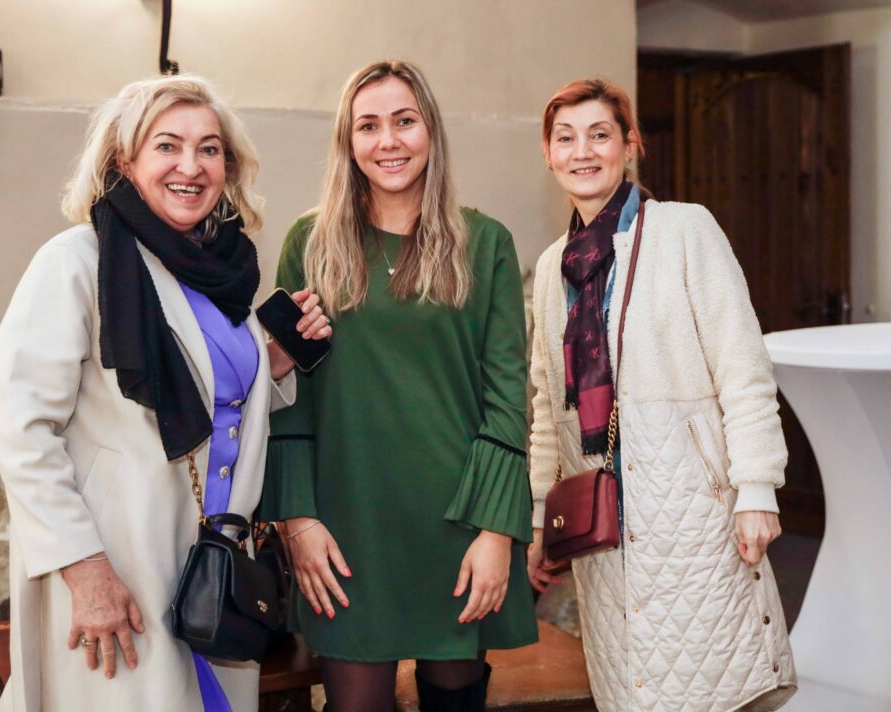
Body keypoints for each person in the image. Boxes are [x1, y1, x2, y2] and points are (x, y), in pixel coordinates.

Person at [0, 75, 331, 712]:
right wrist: (85, 570)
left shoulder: (220, 270)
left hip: (213, 569)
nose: (190, 166)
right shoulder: (76, 262)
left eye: (209, 149)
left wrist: (273, 365)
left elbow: (212, 398)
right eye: (167, 145)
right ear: (125, 161)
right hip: (121, 565)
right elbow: (25, 434)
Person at [260, 60, 538, 712]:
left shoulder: (485, 244)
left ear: (430, 130)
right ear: (348, 140)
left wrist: (497, 531)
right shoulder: (310, 242)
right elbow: (288, 399)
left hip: (459, 522)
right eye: (369, 125)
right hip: (345, 527)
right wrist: (298, 520)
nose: (388, 141)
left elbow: (506, 399)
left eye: (404, 121)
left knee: (454, 702)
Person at [527, 78, 797, 711]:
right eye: (566, 138)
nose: (582, 151)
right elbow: (546, 404)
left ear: (630, 145)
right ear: (549, 154)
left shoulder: (685, 230)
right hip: (601, 521)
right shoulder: (551, 266)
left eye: (599, 134)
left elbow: (742, 368)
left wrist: (757, 488)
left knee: (709, 684)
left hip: (692, 511)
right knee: (633, 688)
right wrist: (540, 515)